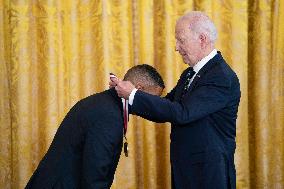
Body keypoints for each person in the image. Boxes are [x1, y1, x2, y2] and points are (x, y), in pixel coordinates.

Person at [111, 11, 241, 189]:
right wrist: (125, 97)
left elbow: (182, 113)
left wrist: (132, 94)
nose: (176, 47)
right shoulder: (189, 73)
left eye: (181, 40)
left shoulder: (221, 76)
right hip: (186, 171)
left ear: (202, 39)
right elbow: (167, 106)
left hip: (209, 175)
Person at [25, 64, 165, 189]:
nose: (153, 106)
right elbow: (95, 175)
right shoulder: (109, 115)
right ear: (138, 89)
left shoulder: (104, 102)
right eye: (153, 99)